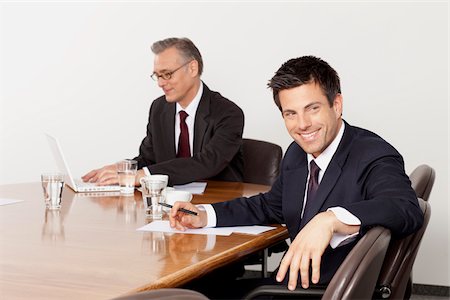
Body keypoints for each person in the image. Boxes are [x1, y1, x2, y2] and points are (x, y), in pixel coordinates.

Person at [169, 55, 424, 297]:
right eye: (290, 114)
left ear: (336, 105)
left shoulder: (371, 153)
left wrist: (330, 219)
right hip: (294, 282)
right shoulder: (297, 152)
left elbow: (405, 209)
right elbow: (270, 205)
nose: (302, 124)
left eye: (312, 108)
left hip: (326, 291)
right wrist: (205, 215)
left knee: (187, 296)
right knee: (196, 289)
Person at [82, 37, 244, 186]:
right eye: (157, 76)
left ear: (192, 68)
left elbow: (207, 163)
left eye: (167, 74)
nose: (160, 83)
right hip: (169, 202)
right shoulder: (159, 109)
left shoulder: (228, 113)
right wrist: (122, 169)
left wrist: (141, 176)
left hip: (217, 202)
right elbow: (148, 159)